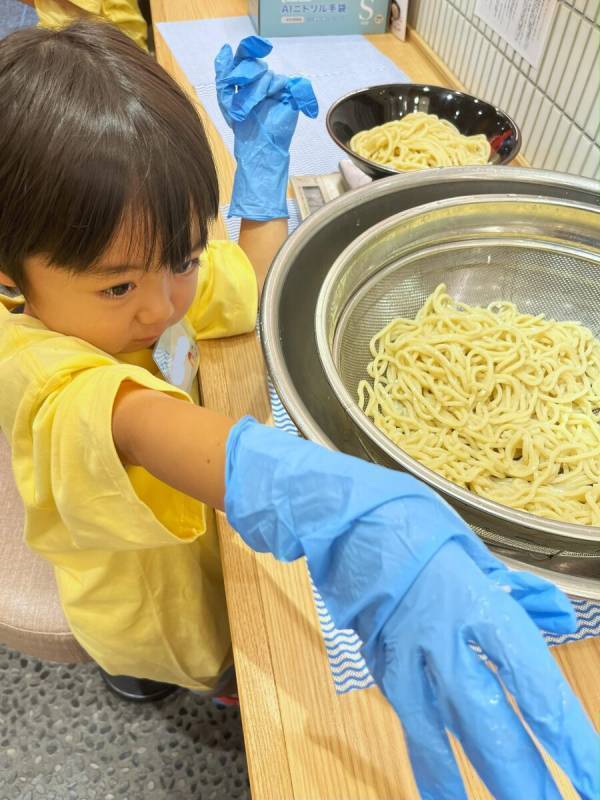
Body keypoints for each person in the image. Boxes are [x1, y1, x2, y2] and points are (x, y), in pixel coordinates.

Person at [0, 20, 596, 800]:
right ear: (12, 277)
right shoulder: (33, 365)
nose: (162, 305)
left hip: (204, 535)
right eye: (119, 286)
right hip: (147, 598)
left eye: (179, 258)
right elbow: (140, 423)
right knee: (212, 656)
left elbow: (240, 281)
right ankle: (166, 682)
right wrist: (336, 507)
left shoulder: (146, 274)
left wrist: (260, 179)